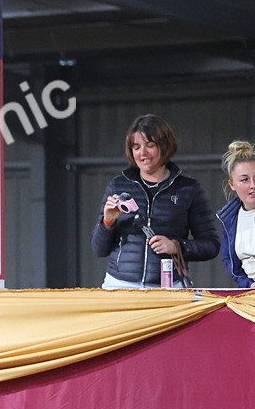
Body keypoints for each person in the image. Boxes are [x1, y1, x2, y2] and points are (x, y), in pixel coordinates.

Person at [91, 114, 219, 288]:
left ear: (164, 146)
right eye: (136, 147)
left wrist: (177, 246)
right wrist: (108, 221)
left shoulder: (189, 188)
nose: (142, 153)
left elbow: (211, 245)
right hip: (119, 285)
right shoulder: (117, 186)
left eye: (150, 145)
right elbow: (99, 249)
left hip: (168, 286)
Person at [216, 141, 255, 289]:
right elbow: (232, 266)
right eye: (244, 180)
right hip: (250, 293)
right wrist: (252, 285)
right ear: (232, 185)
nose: (253, 185)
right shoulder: (229, 218)